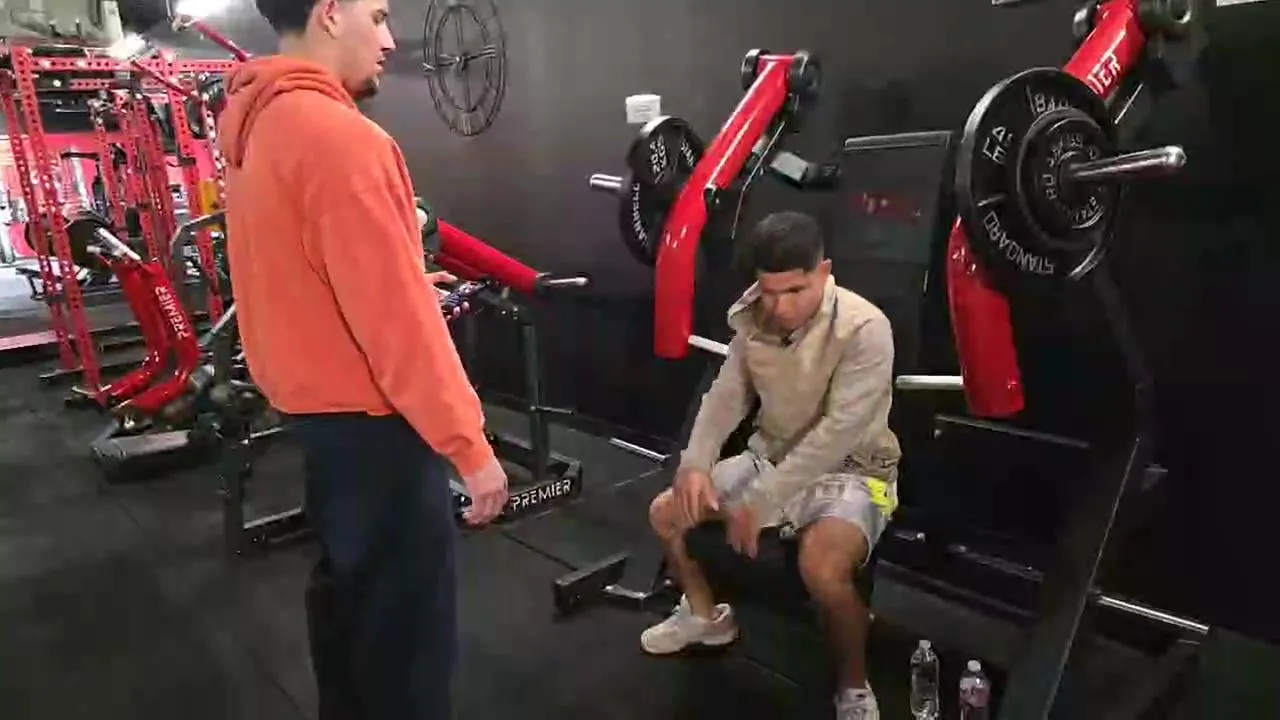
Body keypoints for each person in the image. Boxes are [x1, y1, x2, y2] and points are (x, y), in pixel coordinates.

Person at [217, 0, 509, 716]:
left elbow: (300, 274)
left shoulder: (259, 123)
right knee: (406, 648)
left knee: (350, 615)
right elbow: (399, 327)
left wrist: (401, 276)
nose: (389, 40)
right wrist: (469, 447)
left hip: (320, 423)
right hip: (378, 431)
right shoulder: (340, 138)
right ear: (329, 12)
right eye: (376, 16)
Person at [642, 211, 902, 720]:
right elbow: (727, 396)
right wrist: (695, 462)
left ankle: (853, 684)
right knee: (666, 514)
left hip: (857, 471)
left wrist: (763, 501)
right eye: (769, 292)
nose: (780, 307)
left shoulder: (866, 328)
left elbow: (838, 433)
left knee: (822, 567)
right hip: (770, 458)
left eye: (795, 291)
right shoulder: (753, 318)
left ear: (824, 272)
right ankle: (705, 618)